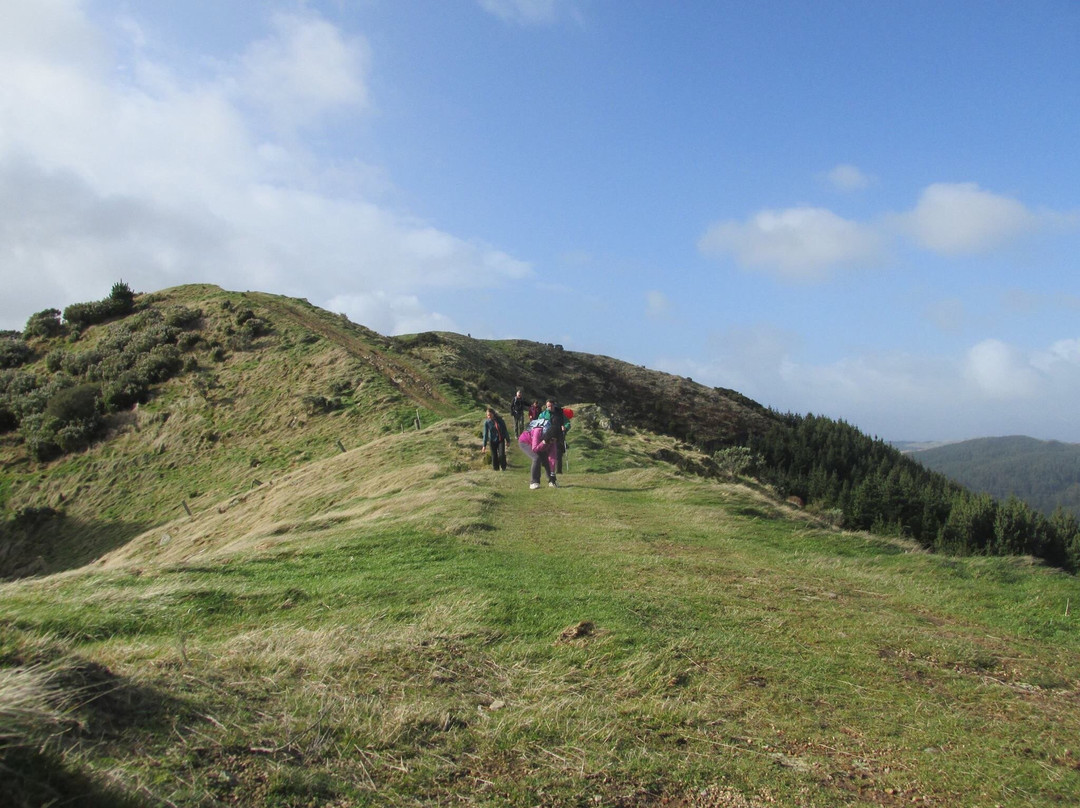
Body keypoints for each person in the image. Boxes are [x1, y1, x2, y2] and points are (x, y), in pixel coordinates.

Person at [518, 417, 557, 488]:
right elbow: (535, 449)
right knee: (536, 458)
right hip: (525, 441)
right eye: (551, 440)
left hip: (539, 443)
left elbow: (552, 457)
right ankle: (534, 482)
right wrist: (544, 442)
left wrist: (552, 474)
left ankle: (551, 481)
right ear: (548, 437)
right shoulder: (537, 431)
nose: (552, 443)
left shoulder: (553, 441)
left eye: (554, 441)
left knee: (546, 460)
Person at [539, 399, 570, 475]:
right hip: (548, 435)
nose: (549, 407)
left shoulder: (560, 413)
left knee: (559, 452)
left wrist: (565, 427)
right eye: (548, 406)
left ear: (554, 405)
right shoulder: (543, 414)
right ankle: (548, 469)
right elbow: (539, 423)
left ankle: (559, 471)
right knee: (547, 452)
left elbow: (567, 422)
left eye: (551, 406)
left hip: (559, 435)